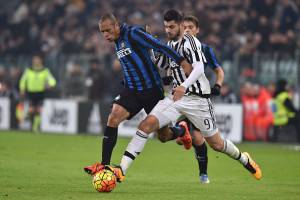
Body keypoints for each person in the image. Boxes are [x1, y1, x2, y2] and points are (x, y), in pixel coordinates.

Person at [110, 9, 262, 183]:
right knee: (146, 125)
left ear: (181, 25)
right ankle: (121, 169)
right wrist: (150, 45)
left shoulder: (191, 41)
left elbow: (198, 68)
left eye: (172, 27)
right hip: (176, 98)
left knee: (217, 144)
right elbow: (161, 63)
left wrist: (183, 85)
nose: (168, 30)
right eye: (166, 27)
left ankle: (244, 159)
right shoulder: (170, 44)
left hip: (198, 100)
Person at [84, 13, 193, 177]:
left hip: (152, 92)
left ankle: (181, 131)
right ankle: (104, 165)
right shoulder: (117, 41)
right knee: (113, 118)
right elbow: (131, 65)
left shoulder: (133, 33)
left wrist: (182, 61)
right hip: (133, 90)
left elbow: (160, 46)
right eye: (102, 32)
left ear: (116, 25)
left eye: (107, 30)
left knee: (163, 136)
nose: (105, 35)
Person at [19, 54, 56, 132]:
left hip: (40, 92)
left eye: (37, 59)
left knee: (38, 110)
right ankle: (32, 126)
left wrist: (50, 85)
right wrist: (22, 89)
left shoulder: (45, 71)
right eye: (34, 59)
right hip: (31, 92)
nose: (36, 61)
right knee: (31, 110)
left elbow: (52, 80)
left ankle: (36, 127)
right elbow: (23, 80)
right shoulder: (28, 70)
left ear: (41, 60)